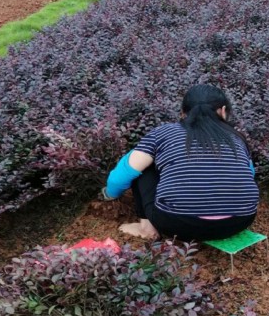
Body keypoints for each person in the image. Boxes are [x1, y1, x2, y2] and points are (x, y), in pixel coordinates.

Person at [102, 84, 259, 241]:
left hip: (177, 224)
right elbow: (249, 175)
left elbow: (122, 174)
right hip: (239, 222)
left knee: (143, 165)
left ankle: (146, 228)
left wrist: (109, 195)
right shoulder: (236, 138)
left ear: (183, 113)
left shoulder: (163, 133)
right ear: (224, 111)